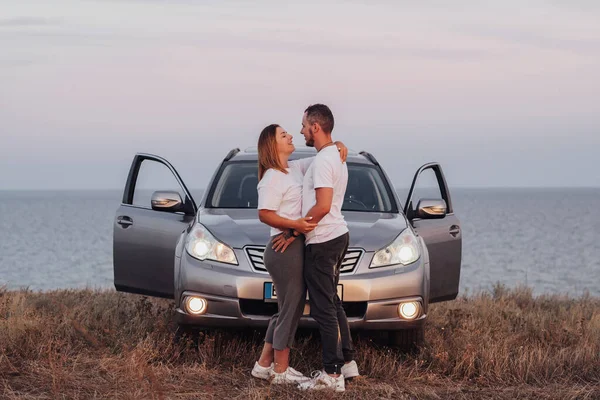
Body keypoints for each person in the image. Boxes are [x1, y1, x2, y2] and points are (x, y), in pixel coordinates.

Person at [251, 123, 348, 384]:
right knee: (291, 308)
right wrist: (295, 226)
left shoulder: (294, 168)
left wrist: (337, 144)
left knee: (286, 309)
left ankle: (263, 364)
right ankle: (280, 371)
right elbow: (264, 214)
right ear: (273, 145)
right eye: (284, 135)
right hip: (284, 249)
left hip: (293, 246)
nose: (291, 135)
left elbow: (323, 157)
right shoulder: (272, 176)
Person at [273, 104, 359, 392]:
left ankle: (332, 375)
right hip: (336, 235)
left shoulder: (324, 161)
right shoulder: (331, 155)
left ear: (315, 127)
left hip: (323, 240)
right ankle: (346, 362)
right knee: (332, 302)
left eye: (303, 125)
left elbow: (322, 206)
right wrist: (337, 143)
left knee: (323, 308)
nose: (300, 131)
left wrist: (294, 228)